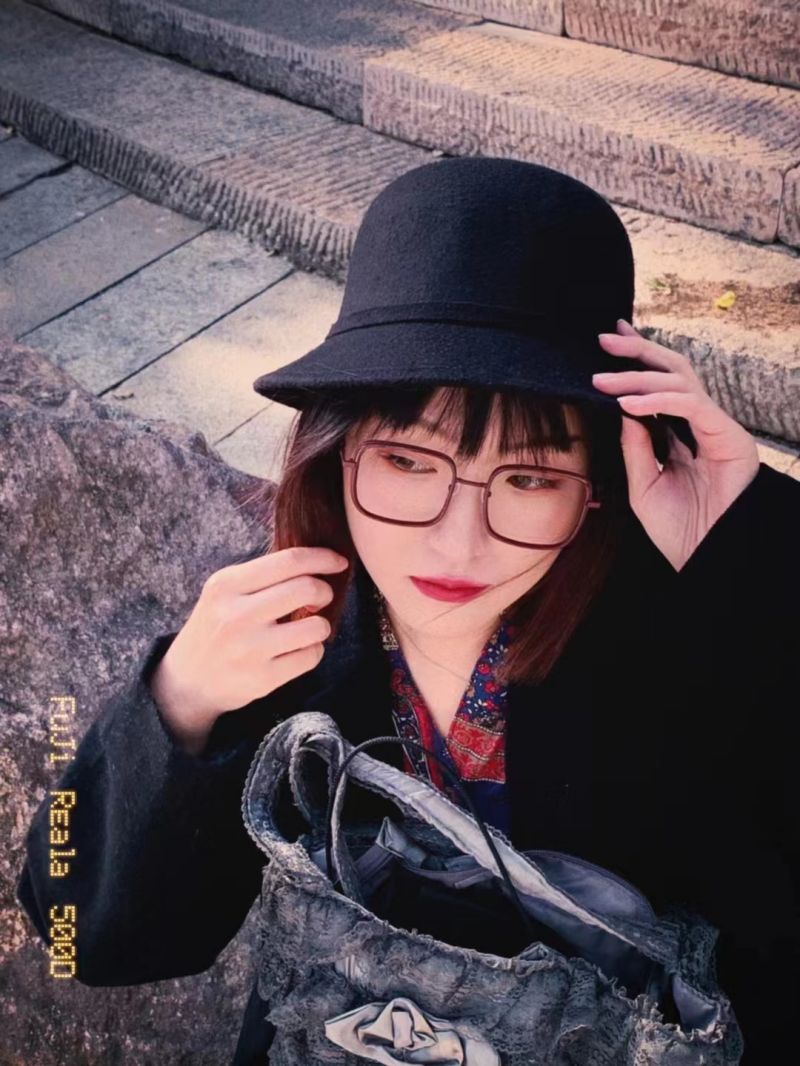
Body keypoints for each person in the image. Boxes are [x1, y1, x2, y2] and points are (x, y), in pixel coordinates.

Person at [16, 157, 799, 1064]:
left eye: (529, 478)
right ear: (333, 455)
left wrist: (753, 551)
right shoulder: (279, 642)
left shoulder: (691, 628)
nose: (456, 545)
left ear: (598, 488)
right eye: (408, 463)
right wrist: (175, 706)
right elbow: (77, 938)